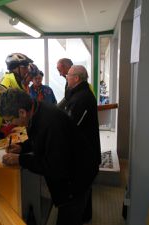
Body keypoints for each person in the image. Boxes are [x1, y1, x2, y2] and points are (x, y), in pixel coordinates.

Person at [0, 88, 98, 225]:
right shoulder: (36, 109)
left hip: (75, 179)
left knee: (69, 216)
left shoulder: (51, 123)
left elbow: (54, 166)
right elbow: (40, 138)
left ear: (22, 112)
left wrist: (20, 160)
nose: (9, 125)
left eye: (9, 120)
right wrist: (22, 147)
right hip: (75, 168)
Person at [58, 65, 101, 223]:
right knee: (84, 190)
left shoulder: (82, 98)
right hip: (85, 155)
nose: (66, 77)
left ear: (76, 78)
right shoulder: (76, 94)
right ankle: (85, 217)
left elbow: (71, 126)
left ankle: (81, 217)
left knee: (78, 193)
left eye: (68, 75)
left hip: (85, 156)